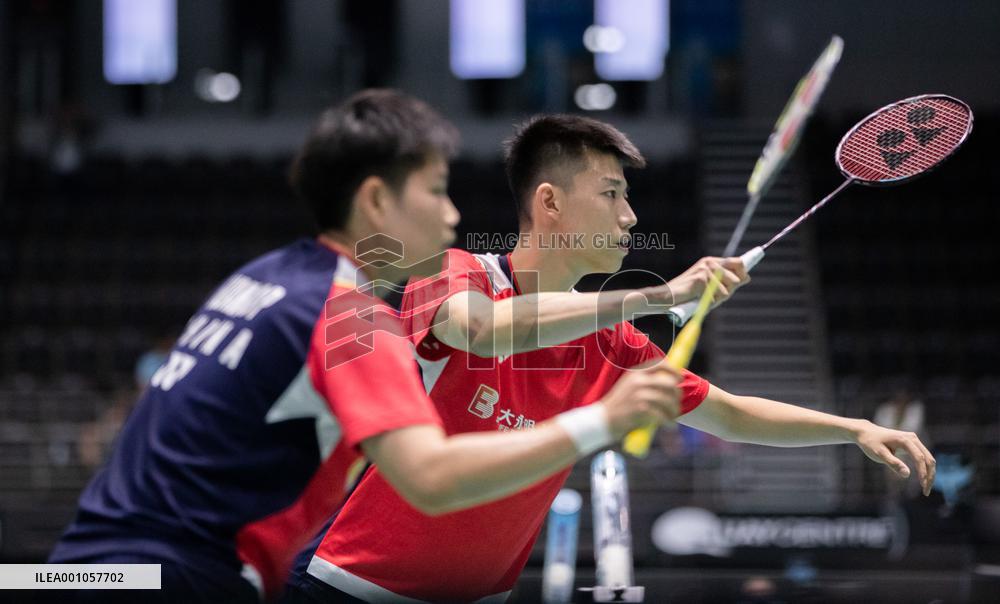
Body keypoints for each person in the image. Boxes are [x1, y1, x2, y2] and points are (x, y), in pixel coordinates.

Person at [47, 91, 686, 603]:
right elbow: (432, 477)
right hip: (180, 578)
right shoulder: (348, 314)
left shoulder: (258, 279)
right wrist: (602, 418)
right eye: (435, 191)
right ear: (377, 200)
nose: (453, 215)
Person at [288, 114, 937, 603]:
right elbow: (482, 330)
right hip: (348, 586)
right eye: (611, 194)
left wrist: (853, 429)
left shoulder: (612, 344)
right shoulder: (457, 272)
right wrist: (661, 295)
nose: (630, 217)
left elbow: (730, 414)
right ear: (549, 202)